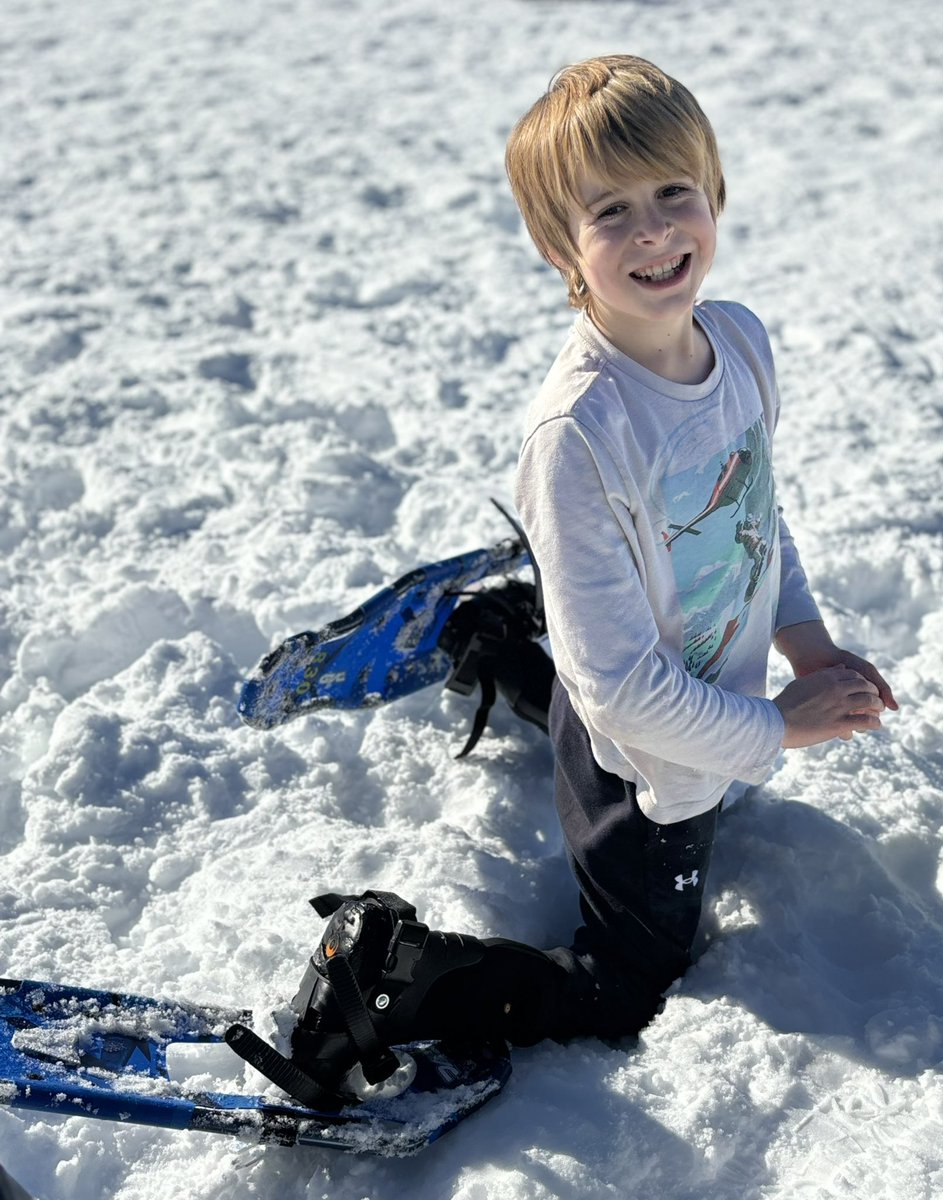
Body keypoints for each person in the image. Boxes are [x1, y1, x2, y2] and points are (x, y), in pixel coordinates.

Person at [273, 55, 899, 1101]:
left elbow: (754, 520)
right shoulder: (580, 433)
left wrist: (807, 643)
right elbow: (618, 694)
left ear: (714, 192)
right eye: (610, 212)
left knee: (594, 680)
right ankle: (396, 979)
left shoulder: (739, 344)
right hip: (646, 760)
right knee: (625, 986)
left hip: (662, 689)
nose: (653, 232)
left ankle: (491, 644)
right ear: (559, 247)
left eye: (672, 192)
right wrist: (775, 728)